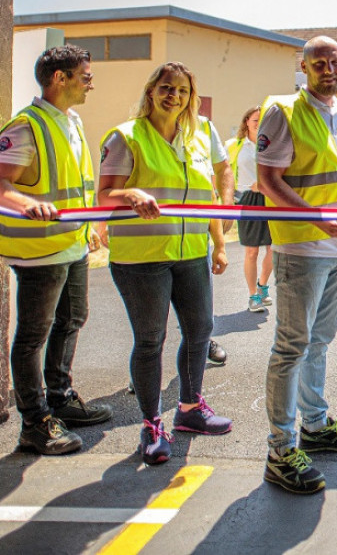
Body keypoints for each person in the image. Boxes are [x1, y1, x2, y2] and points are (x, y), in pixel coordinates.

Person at [98, 62, 234, 465]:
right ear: (151, 91)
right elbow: (104, 194)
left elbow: (209, 191)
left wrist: (219, 242)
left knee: (199, 331)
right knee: (151, 339)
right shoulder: (126, 136)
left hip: (191, 252)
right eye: (166, 88)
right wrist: (130, 195)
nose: (173, 96)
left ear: (190, 97)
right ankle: (151, 424)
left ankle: (190, 409)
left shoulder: (202, 133)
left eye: (182, 90)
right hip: (142, 259)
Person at [256, 36, 337, 495]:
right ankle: (280, 451)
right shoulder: (284, 111)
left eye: (334, 61)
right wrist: (318, 218)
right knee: (291, 347)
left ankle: (316, 427)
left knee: (318, 343)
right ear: (303, 67)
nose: (328, 69)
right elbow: (268, 180)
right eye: (318, 63)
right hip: (301, 250)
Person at [0, 44, 112, 455]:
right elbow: (1, 183)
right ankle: (34, 422)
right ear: (59, 78)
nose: (91, 81)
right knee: (32, 336)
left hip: (72, 244)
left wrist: (92, 225)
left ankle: (60, 398)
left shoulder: (72, 120)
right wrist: (29, 205)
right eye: (85, 75)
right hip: (40, 251)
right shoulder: (25, 127)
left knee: (72, 319)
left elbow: (78, 185)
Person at [227, 106, 273, 313]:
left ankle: (263, 286)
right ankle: (253, 294)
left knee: (274, 248)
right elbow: (224, 174)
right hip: (248, 199)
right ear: (246, 121)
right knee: (252, 251)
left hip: (271, 199)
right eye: (256, 119)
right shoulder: (234, 146)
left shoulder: (271, 145)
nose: (259, 123)